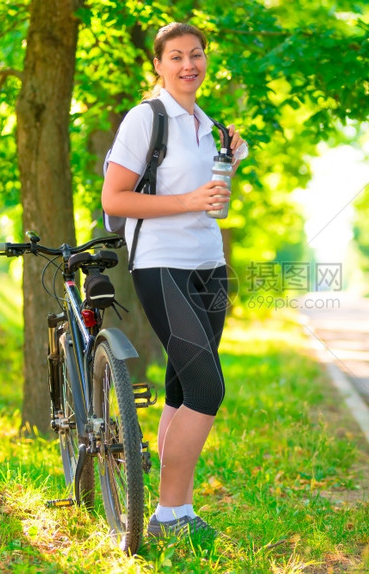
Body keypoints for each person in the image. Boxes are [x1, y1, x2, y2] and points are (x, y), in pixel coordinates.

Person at [101, 22, 248, 539]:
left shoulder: (212, 126)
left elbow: (214, 204)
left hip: (209, 264)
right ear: (159, 65)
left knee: (183, 388)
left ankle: (176, 511)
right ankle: (168, 515)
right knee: (208, 384)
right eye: (177, 56)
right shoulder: (146, 119)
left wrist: (225, 168)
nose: (189, 64)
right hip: (160, 263)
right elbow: (114, 199)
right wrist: (188, 201)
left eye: (198, 55)